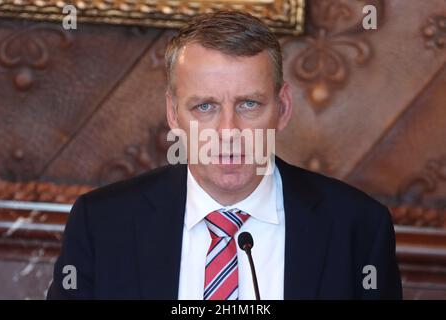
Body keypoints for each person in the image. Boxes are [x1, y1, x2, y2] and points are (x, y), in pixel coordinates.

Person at [47, 10, 402, 299]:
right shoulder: (102, 224)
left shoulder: (358, 228)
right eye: (205, 106)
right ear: (173, 114)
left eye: (249, 104)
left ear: (282, 107)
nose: (228, 131)